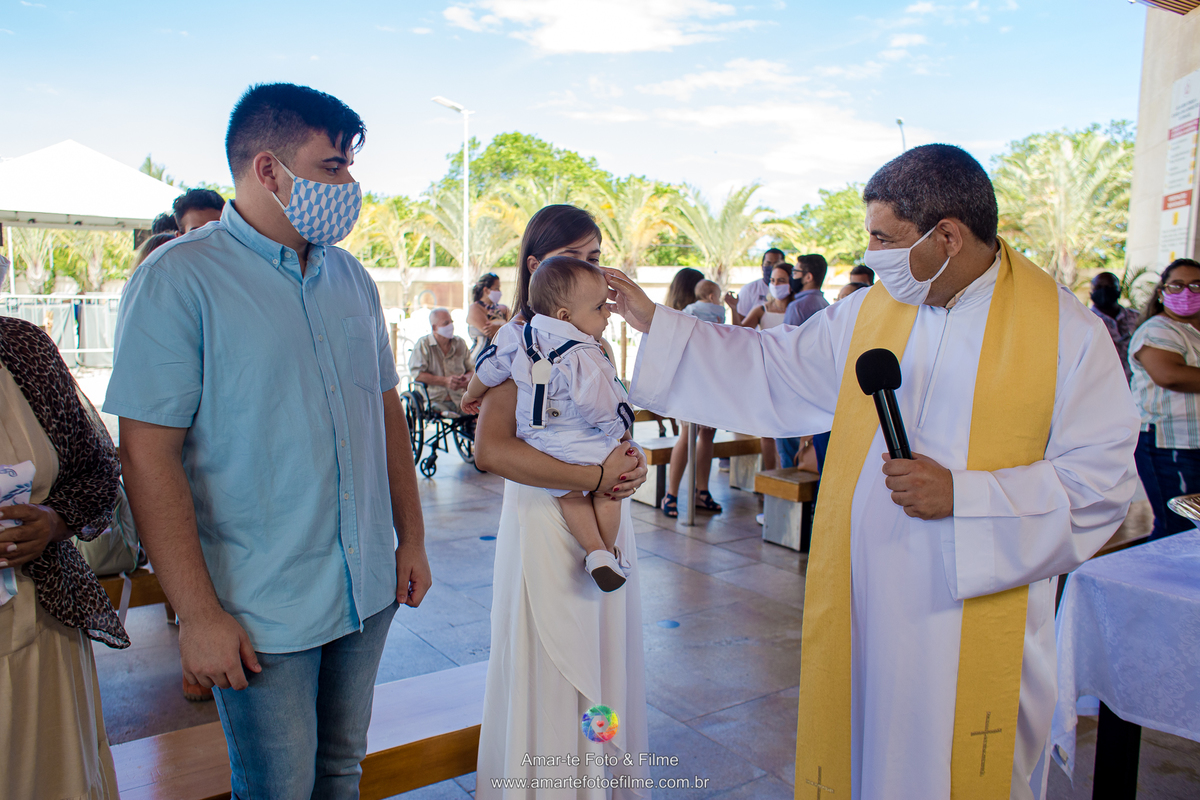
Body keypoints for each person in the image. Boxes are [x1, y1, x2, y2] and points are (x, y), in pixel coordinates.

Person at [606, 144, 1138, 800]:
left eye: (884, 238)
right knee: (865, 754)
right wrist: (657, 324)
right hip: (863, 591)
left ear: (947, 236)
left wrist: (966, 495)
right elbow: (776, 366)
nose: (872, 254)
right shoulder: (871, 312)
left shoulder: (1067, 332)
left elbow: (1102, 482)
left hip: (967, 602)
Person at [106, 83, 431, 798]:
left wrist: (410, 538)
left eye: (349, 166)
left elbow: (385, 418)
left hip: (365, 586)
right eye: (333, 167)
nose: (350, 185)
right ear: (267, 170)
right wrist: (197, 614)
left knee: (341, 771)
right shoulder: (181, 279)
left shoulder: (351, 278)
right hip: (261, 607)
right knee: (277, 787)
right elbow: (146, 455)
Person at [471, 204, 651, 797]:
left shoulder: (587, 334)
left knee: (601, 660)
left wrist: (626, 460)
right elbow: (491, 450)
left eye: (598, 258)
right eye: (581, 259)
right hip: (549, 519)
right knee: (557, 669)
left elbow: (607, 418)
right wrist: (593, 476)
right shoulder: (520, 344)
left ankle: (600, 781)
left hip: (602, 512)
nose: (597, 273)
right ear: (537, 267)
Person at [0, 314, 128, 800]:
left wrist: (52, 521)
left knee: (57, 774)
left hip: (43, 628)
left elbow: (97, 469)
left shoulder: (22, 350)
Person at [463, 257, 634, 591]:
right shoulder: (585, 352)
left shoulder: (517, 335)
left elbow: (490, 366)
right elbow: (601, 404)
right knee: (609, 493)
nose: (608, 314)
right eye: (600, 308)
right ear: (565, 315)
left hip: (540, 442)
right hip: (584, 441)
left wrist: (471, 393)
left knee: (571, 497)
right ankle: (606, 551)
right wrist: (622, 437)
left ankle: (594, 548)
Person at [1128, 257, 1200, 541]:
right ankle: (1154, 585)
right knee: (1176, 527)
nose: (1187, 293)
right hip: (1170, 444)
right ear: (1162, 293)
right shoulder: (1157, 329)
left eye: (1196, 286)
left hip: (1193, 441)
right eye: (1177, 286)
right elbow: (1170, 375)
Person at [661, 267, 723, 518]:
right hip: (690, 382)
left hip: (711, 381)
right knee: (688, 434)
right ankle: (671, 494)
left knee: (707, 435)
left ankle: (701, 491)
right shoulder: (681, 315)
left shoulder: (709, 314)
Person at [409, 307, 472, 414]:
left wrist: (466, 379)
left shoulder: (460, 343)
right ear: (434, 327)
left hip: (460, 398)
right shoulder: (424, 344)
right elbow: (417, 374)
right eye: (446, 323)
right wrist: (445, 381)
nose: (451, 326)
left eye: (451, 322)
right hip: (434, 400)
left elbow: (471, 369)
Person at [1090, 271, 1139, 382]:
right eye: (1099, 287)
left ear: (1119, 290)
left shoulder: (1137, 318)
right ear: (1091, 293)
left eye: (1109, 286)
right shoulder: (1085, 321)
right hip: (1102, 386)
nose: (1104, 291)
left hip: (1136, 386)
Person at [725, 247, 785, 325]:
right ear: (762, 266)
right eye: (768, 263)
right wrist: (733, 308)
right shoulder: (749, 290)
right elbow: (739, 328)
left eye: (776, 264)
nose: (772, 267)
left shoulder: (792, 292)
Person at [466, 271, 510, 364]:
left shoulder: (503, 308)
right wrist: (504, 325)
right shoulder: (475, 308)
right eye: (496, 288)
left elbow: (515, 329)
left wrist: (497, 327)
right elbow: (489, 332)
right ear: (486, 290)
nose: (499, 292)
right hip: (478, 359)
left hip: (500, 360)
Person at [784, 253, 831, 326]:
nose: (792, 277)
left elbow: (788, 336)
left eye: (795, 273)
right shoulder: (826, 305)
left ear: (808, 277)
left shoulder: (796, 307)